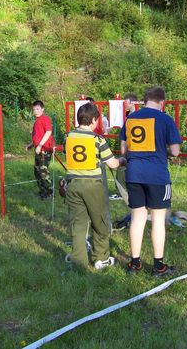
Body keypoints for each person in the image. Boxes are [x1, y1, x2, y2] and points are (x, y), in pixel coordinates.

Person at [119, 86, 181, 276]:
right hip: (157, 175)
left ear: (144, 101)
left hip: (134, 174)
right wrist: (165, 151)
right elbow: (176, 151)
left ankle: (135, 263)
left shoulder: (130, 119)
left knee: (137, 219)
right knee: (158, 220)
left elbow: (123, 150)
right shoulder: (165, 119)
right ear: (162, 102)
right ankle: (158, 265)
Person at [65, 102, 121, 270]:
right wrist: (123, 160)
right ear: (94, 120)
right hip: (93, 186)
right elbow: (112, 164)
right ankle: (101, 258)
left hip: (73, 185)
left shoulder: (69, 136)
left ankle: (78, 260)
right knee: (100, 221)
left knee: (78, 223)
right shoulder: (97, 139)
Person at [113, 93, 138, 230]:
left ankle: (136, 211)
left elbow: (124, 140)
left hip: (132, 155)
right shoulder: (128, 116)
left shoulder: (134, 117)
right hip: (131, 155)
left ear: (133, 102)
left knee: (127, 182)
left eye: (126, 102)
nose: (125, 105)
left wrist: (124, 155)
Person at [25, 100, 55, 200]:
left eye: (38, 109)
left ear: (42, 109)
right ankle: (43, 192)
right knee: (37, 172)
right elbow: (37, 137)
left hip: (44, 150)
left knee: (43, 171)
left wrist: (40, 145)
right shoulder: (37, 121)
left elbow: (48, 132)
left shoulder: (45, 119)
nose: (36, 111)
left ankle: (50, 193)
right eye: (34, 109)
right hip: (38, 149)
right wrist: (31, 145)